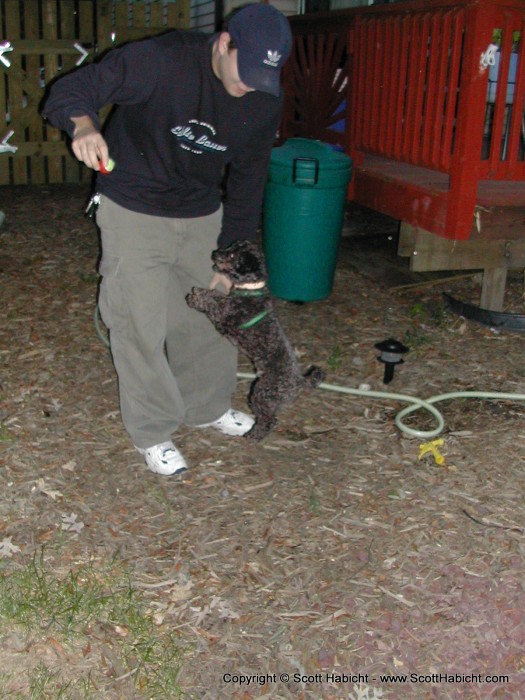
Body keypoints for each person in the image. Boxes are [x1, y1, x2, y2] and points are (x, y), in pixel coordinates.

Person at [42, 4, 292, 476]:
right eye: (245, 73)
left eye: (263, 77)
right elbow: (72, 90)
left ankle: (207, 406)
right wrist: (84, 125)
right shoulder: (161, 59)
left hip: (201, 212)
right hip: (133, 205)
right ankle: (153, 430)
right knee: (138, 322)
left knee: (210, 313)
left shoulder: (262, 96)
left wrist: (230, 259)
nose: (249, 87)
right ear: (222, 44)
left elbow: (248, 181)